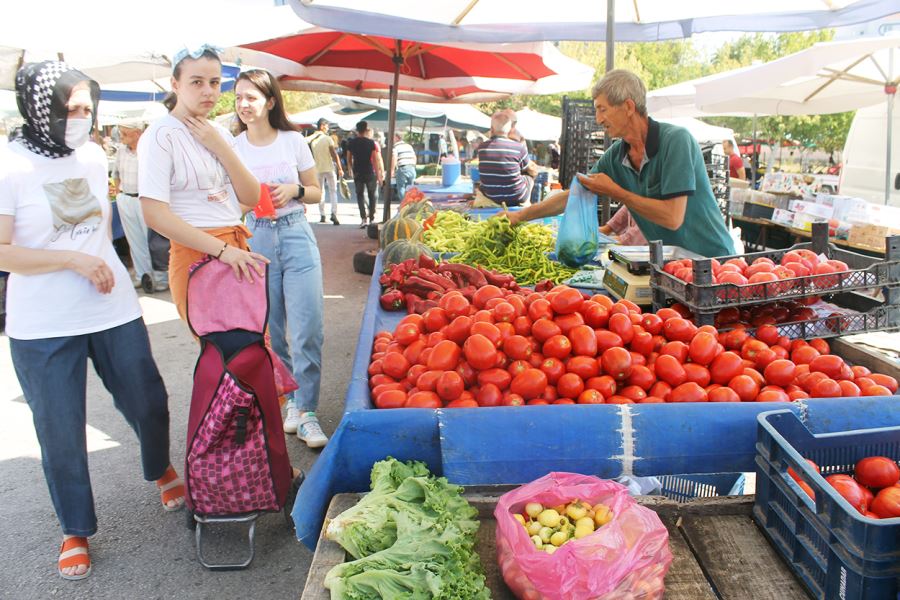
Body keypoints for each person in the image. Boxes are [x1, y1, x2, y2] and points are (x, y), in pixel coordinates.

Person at [0, 61, 182, 582]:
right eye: (70, 109)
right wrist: (72, 261)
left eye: (86, 108)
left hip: (111, 306)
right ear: (40, 109)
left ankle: (159, 467)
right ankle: (74, 527)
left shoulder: (90, 154)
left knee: (147, 398)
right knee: (59, 427)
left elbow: (91, 227)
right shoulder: (9, 166)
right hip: (42, 320)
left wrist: (99, 260)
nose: (81, 118)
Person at [508, 69, 734, 258]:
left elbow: (672, 218)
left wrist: (618, 192)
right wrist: (520, 216)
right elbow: (575, 193)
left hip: (713, 260)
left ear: (628, 106)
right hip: (672, 263)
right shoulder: (616, 155)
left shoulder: (676, 141)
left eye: (602, 109)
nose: (598, 119)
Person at [138, 45, 268, 323]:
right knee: (227, 353)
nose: (208, 91)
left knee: (253, 349)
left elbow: (251, 195)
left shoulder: (219, 133)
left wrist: (221, 147)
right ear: (175, 84)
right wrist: (222, 250)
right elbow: (154, 214)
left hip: (235, 246)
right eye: (196, 82)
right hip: (199, 253)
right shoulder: (160, 134)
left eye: (215, 82)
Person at [233, 69, 328, 448]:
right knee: (271, 330)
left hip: (296, 232)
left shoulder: (293, 140)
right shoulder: (234, 146)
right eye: (239, 97)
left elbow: (318, 192)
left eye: (252, 98)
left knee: (309, 327)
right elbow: (233, 200)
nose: (244, 105)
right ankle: (290, 402)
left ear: (270, 101)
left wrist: (296, 189)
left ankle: (308, 412)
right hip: (256, 237)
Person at [112, 121, 169, 292]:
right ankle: (142, 275)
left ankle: (160, 278)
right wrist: (119, 194)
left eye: (125, 133)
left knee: (153, 240)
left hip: (146, 199)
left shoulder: (149, 149)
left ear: (137, 133)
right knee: (134, 240)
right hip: (126, 197)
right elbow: (116, 174)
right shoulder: (121, 150)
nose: (121, 137)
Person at [477, 111, 537, 206]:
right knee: (530, 176)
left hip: (490, 196)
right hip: (516, 196)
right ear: (510, 130)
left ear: (491, 129)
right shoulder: (518, 147)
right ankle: (526, 204)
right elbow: (530, 169)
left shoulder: (481, 148)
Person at [346, 120, 384, 227]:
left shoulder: (351, 143)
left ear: (357, 130)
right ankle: (371, 218)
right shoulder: (371, 143)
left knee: (360, 195)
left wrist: (349, 168)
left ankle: (363, 218)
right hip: (369, 171)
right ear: (366, 129)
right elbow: (375, 160)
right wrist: (378, 175)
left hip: (357, 171)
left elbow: (349, 158)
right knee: (372, 195)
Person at [306, 118, 342, 225]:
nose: (328, 128)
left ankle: (322, 215)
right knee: (333, 191)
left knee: (320, 192)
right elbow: (334, 154)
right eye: (326, 126)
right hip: (329, 168)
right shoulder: (328, 139)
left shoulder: (311, 139)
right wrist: (340, 168)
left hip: (317, 169)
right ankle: (334, 214)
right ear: (322, 126)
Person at [391, 132, 417, 201]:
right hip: (411, 167)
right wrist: (413, 166)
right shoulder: (409, 146)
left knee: (401, 187)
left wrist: (392, 170)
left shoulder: (396, 146)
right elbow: (414, 157)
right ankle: (411, 203)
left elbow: (394, 157)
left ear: (396, 137)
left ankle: (404, 204)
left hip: (402, 167)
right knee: (411, 187)